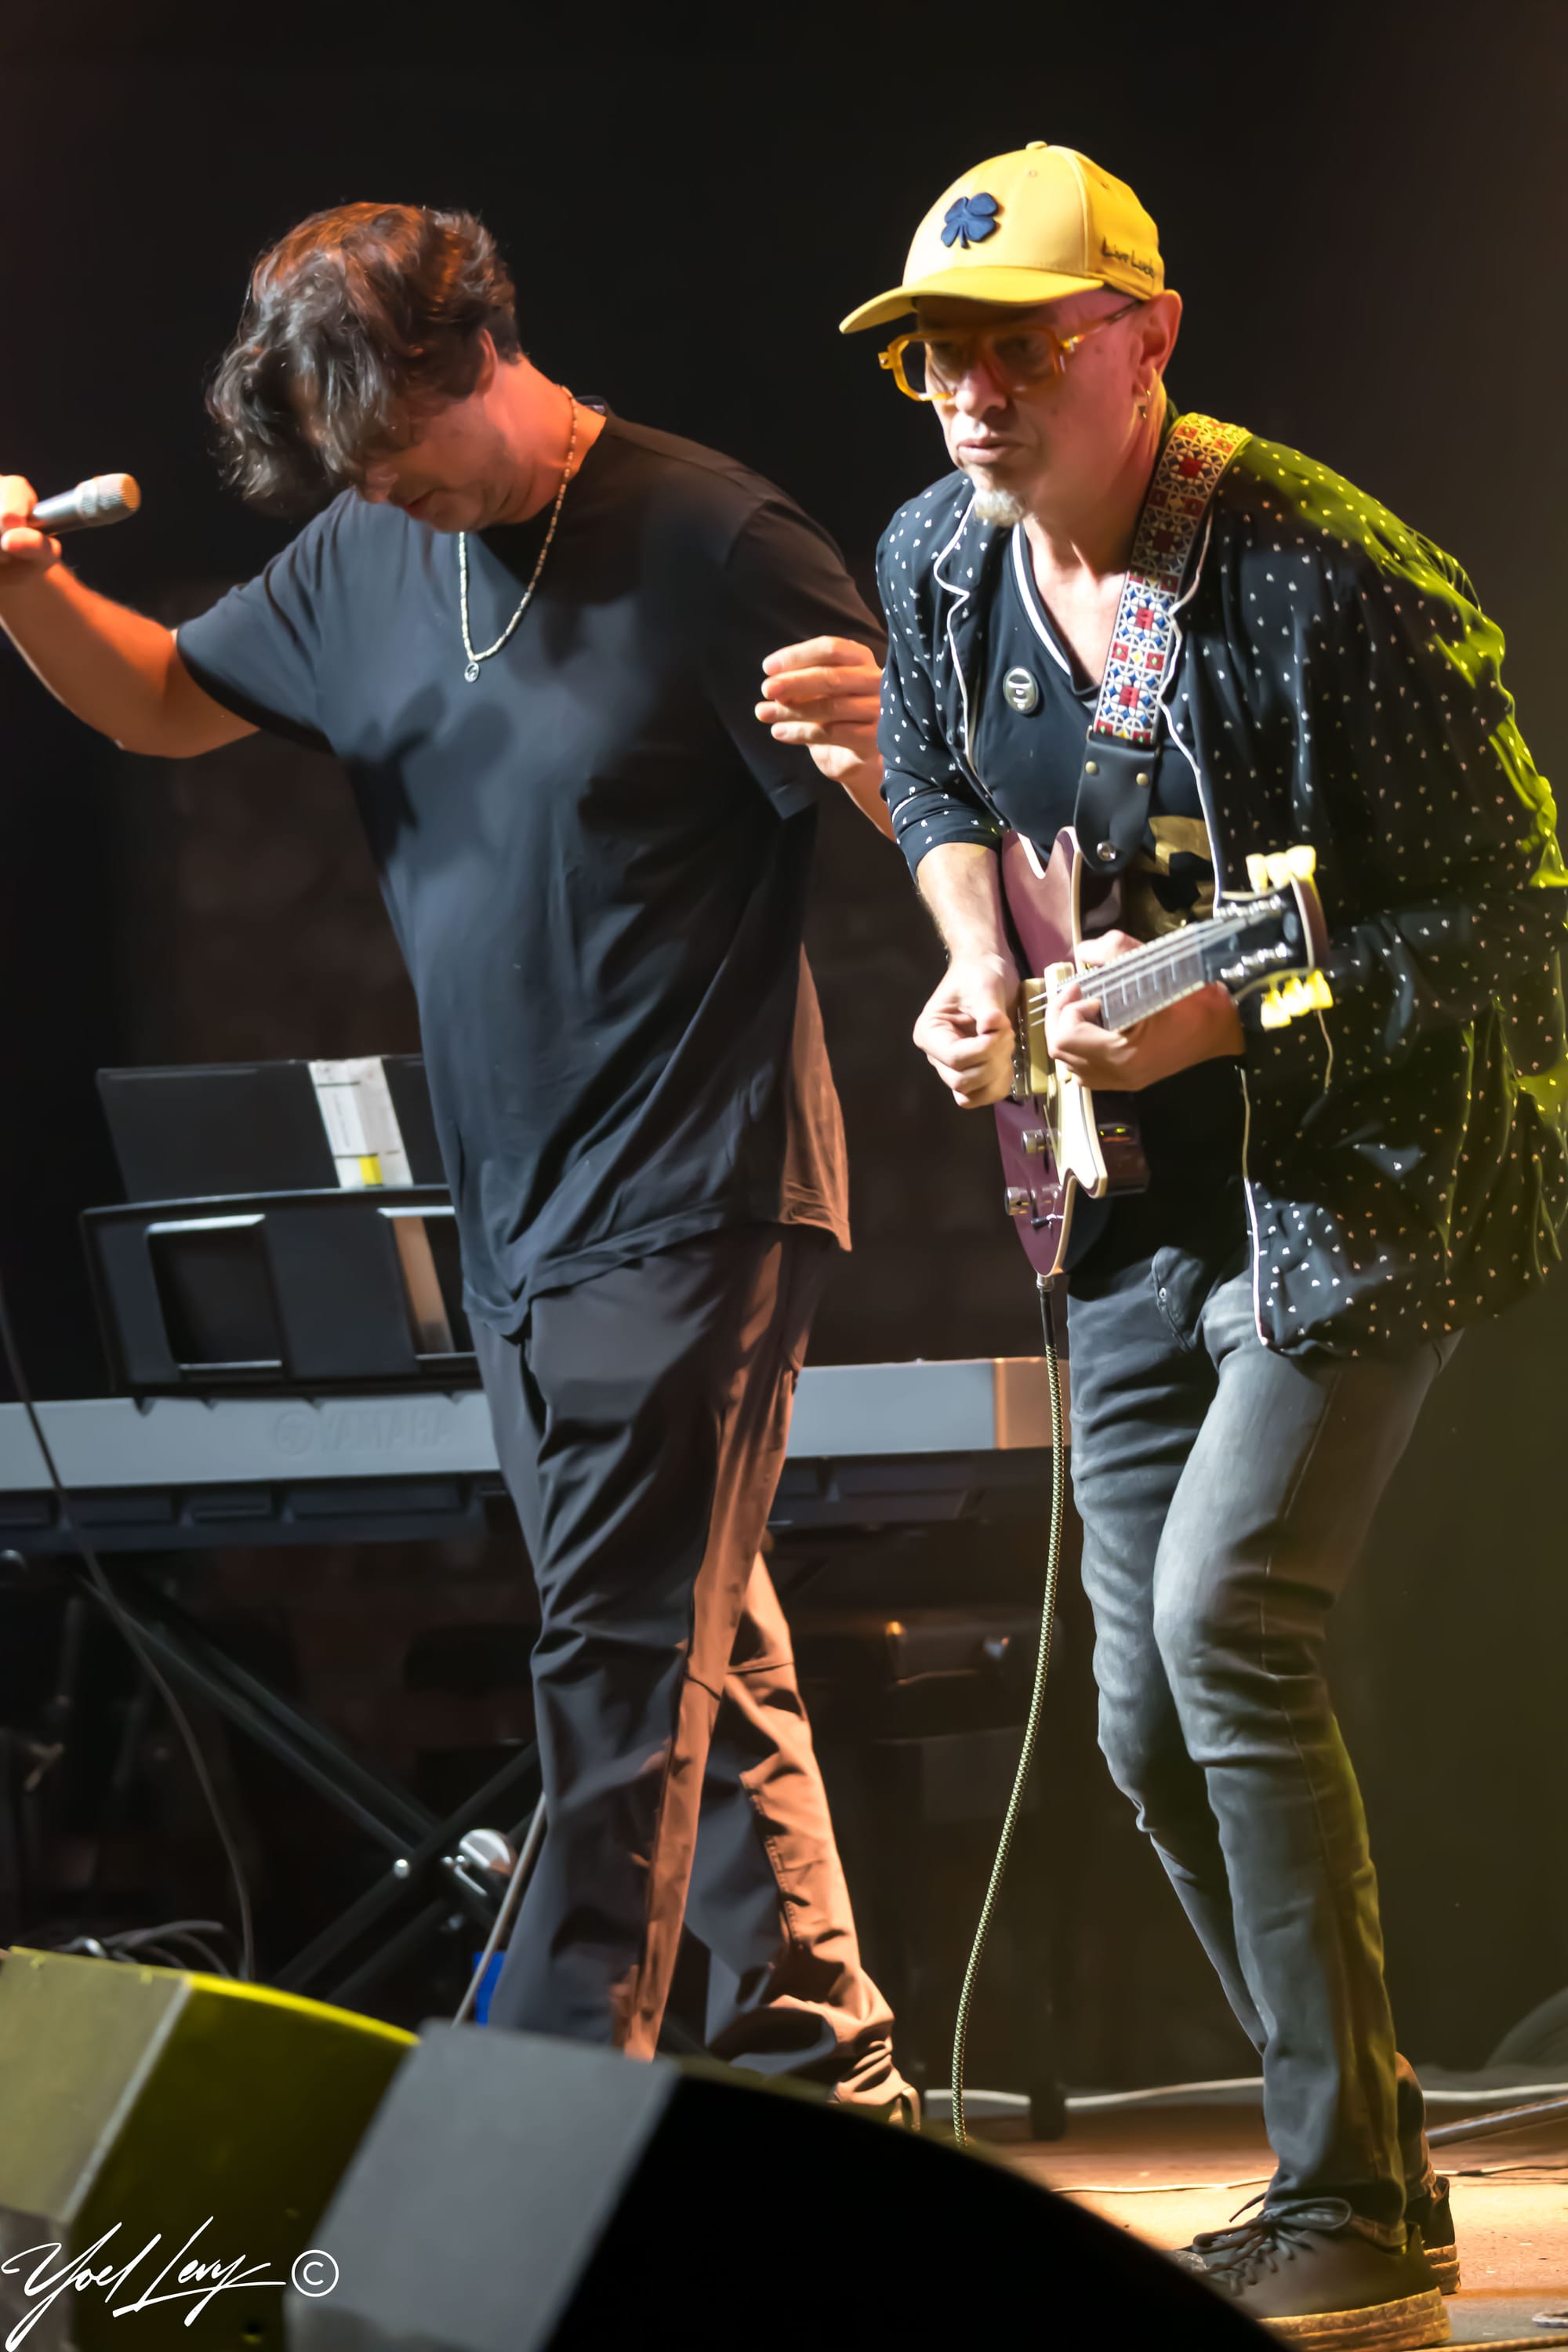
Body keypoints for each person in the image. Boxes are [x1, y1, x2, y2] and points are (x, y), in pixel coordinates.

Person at [0, 201, 916, 2118]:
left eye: (392, 451)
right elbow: (162, 701)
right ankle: (823, 2058)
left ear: (478, 350)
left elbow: (933, 810)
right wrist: (19, 590)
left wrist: (906, 754)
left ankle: (539, 2122)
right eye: (347, 474)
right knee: (699, 1644)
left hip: (697, 1179)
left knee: (613, 1652)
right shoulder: (368, 544)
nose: (379, 496)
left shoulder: (712, 540)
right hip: (513, 1206)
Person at [844, 139, 1567, 2341]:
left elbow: (1517, 928)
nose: (973, 396)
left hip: (1354, 1180)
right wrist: (973, 958)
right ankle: (1361, 2154)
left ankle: (1348, 2191)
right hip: (1126, 1196)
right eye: (937, 359)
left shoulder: (1320, 573)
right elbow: (933, 777)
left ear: (1146, 338)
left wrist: (1234, 1015)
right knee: (1145, 1715)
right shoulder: (939, 555)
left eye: (1019, 350)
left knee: (1225, 1624)